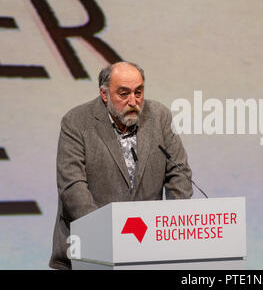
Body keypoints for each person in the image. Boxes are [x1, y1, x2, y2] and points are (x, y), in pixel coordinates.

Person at [49, 61, 193, 270]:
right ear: (104, 94)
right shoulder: (77, 121)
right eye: (123, 94)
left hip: (148, 251)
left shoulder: (159, 117)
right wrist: (109, 234)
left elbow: (179, 174)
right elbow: (72, 186)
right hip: (89, 251)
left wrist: (171, 227)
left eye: (138, 92)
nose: (133, 101)